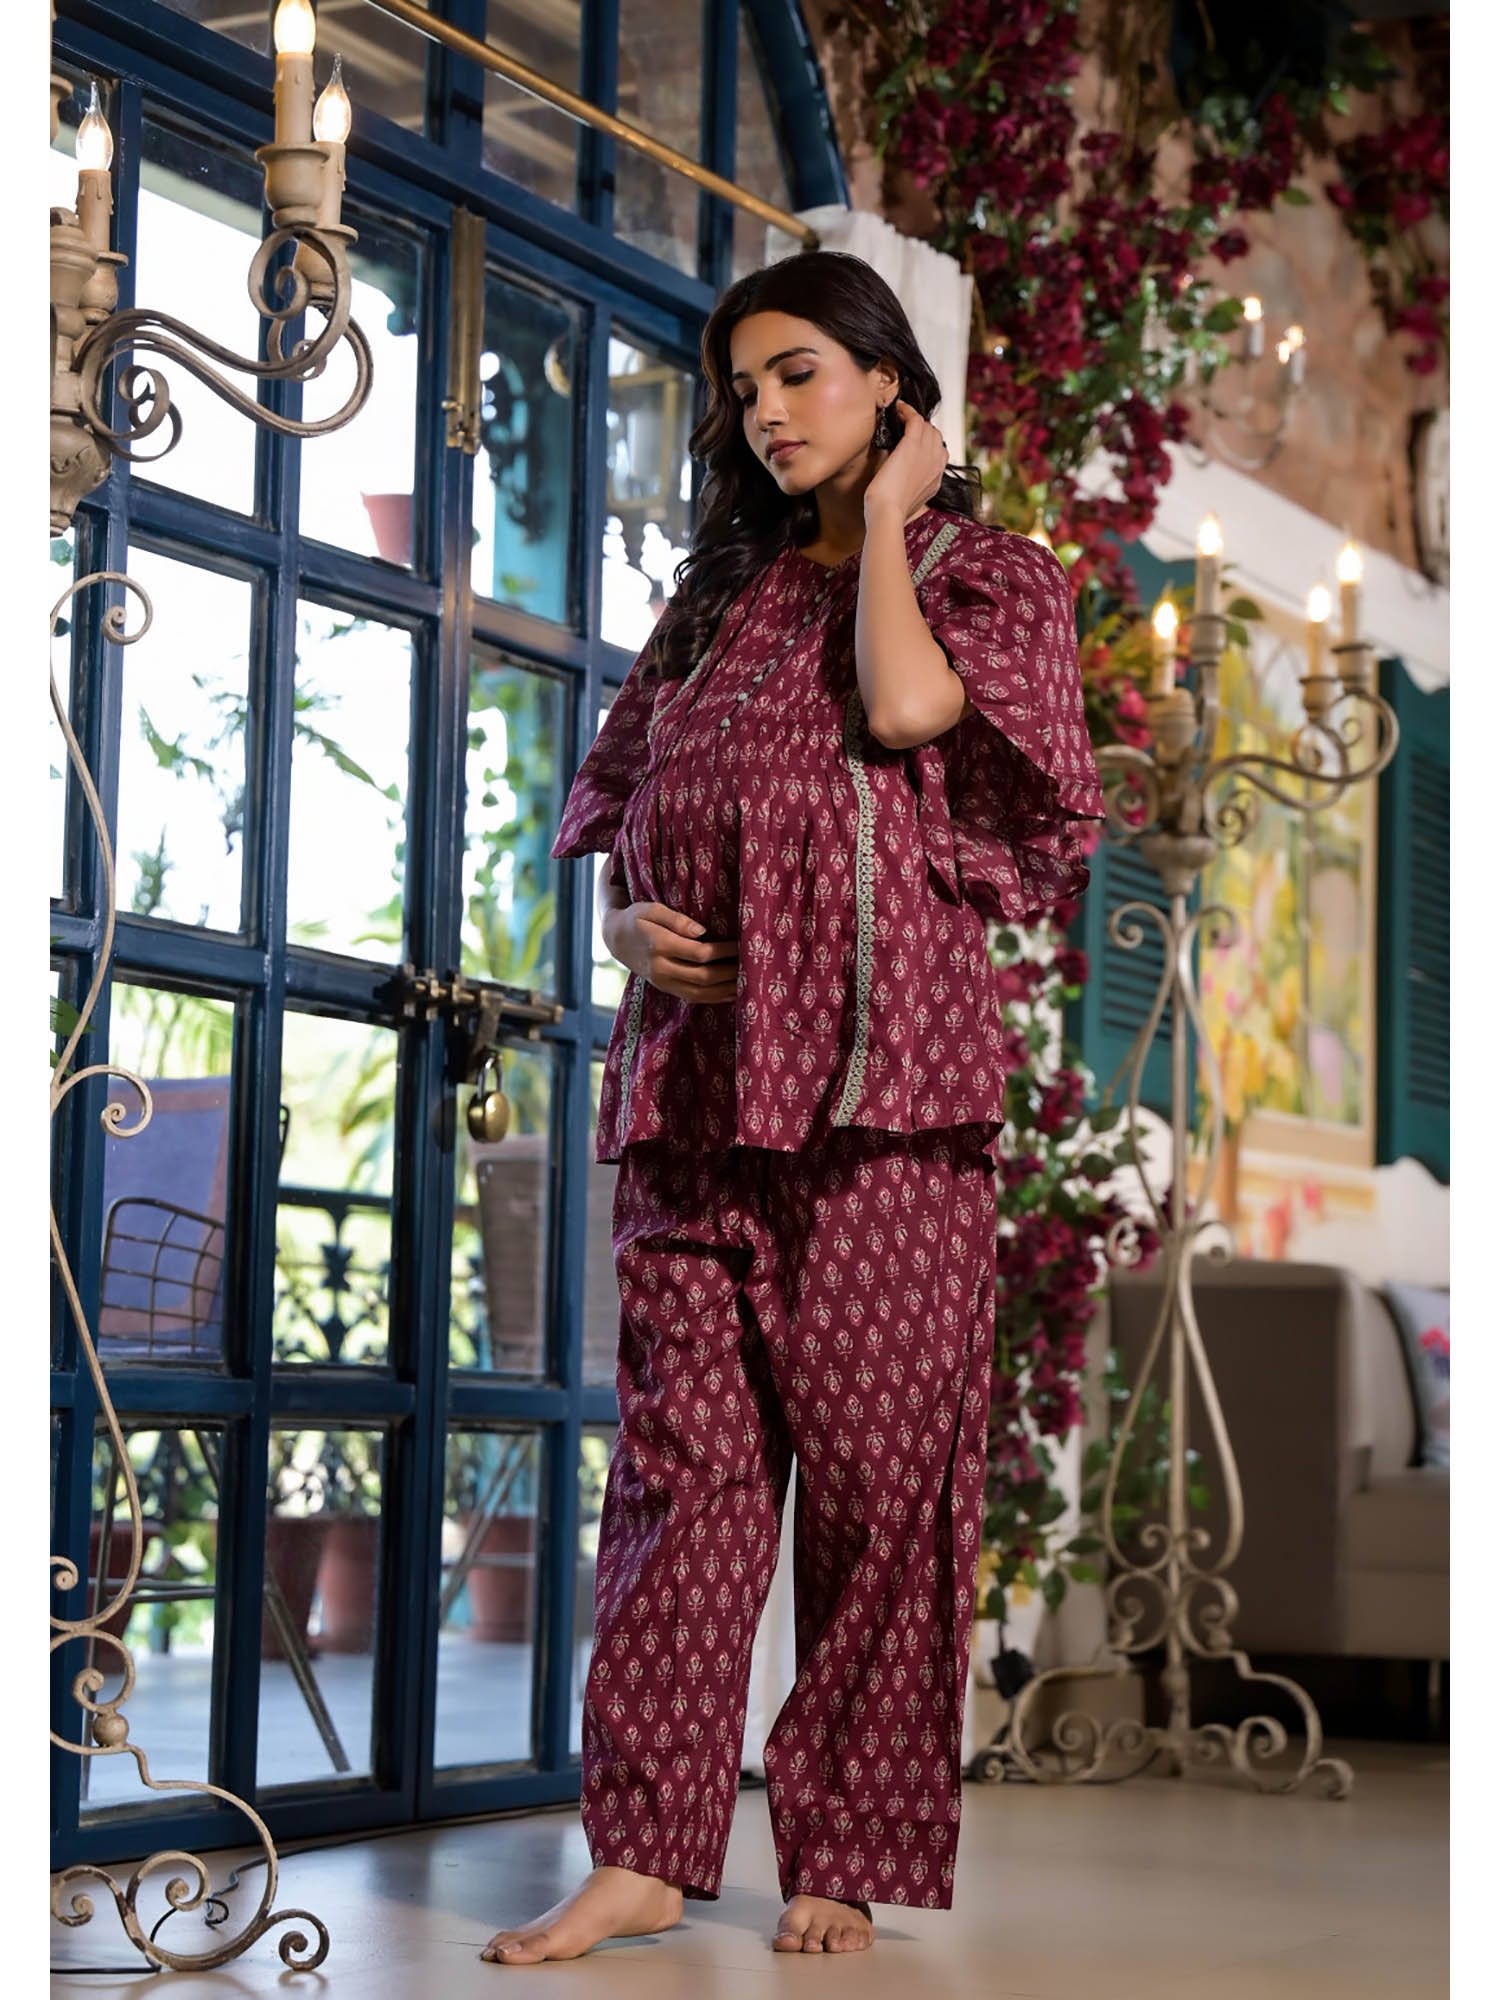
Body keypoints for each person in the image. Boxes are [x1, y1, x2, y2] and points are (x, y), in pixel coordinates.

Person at [481, 250, 1104, 1967]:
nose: (763, 412)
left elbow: (908, 711)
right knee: (680, 1484)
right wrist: (626, 927)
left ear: (890, 379)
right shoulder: (715, 605)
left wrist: (893, 514)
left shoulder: (990, 578)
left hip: (886, 1103)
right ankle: (643, 1851)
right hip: (690, 1096)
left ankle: (840, 1850)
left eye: (799, 373)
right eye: (742, 388)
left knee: (879, 1494)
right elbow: (618, 813)